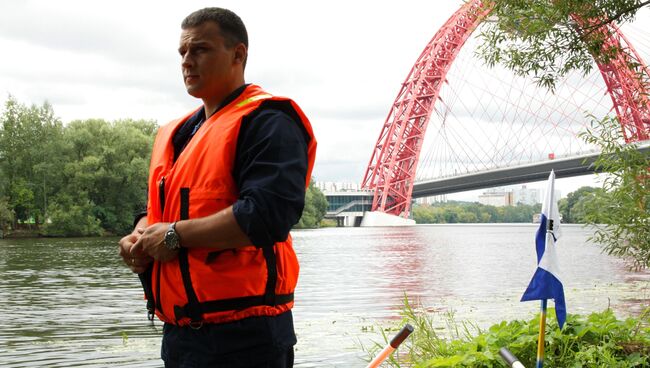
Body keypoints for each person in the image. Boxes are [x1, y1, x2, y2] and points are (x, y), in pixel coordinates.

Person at [118, 7, 316, 367]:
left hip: (247, 337)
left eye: (201, 50)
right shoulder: (177, 133)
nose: (187, 62)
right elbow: (163, 212)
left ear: (238, 54)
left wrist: (174, 235)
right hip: (181, 335)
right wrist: (141, 233)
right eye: (182, 53)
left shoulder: (268, 121)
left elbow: (268, 215)